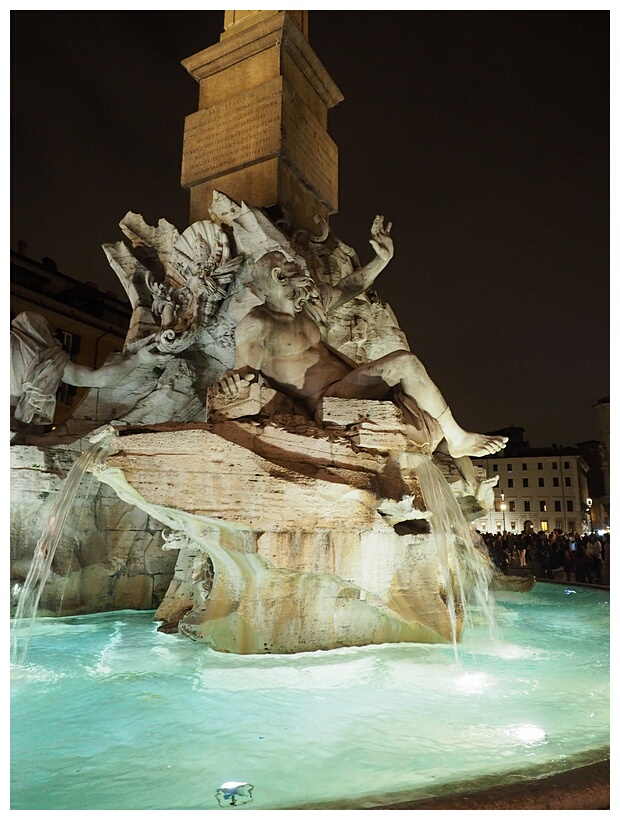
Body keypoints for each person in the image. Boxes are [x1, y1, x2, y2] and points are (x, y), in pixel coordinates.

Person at [218, 217, 508, 461]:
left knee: (408, 379)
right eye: (292, 265)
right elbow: (242, 371)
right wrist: (230, 381)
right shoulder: (257, 324)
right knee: (405, 363)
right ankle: (456, 438)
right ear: (279, 276)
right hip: (327, 402)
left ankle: (444, 439)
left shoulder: (308, 306)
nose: (301, 268)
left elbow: (349, 287)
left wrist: (381, 260)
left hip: (349, 382)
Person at [10, 311, 169, 430]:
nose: (57, 340)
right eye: (52, 335)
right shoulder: (48, 360)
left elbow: (97, 379)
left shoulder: (48, 361)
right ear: (41, 334)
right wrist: (138, 359)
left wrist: (139, 358)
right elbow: (97, 379)